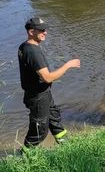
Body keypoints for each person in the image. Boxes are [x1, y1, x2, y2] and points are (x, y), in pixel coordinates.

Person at [18, 17, 81, 147]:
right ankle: (26, 156)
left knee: (54, 118)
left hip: (42, 93)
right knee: (39, 128)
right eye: (41, 30)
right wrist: (68, 65)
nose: (45, 32)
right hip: (37, 97)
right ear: (31, 32)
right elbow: (48, 77)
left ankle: (65, 144)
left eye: (45, 29)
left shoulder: (24, 46)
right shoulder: (33, 51)